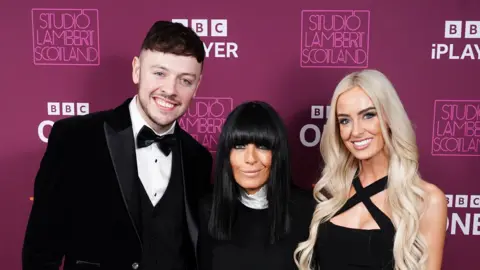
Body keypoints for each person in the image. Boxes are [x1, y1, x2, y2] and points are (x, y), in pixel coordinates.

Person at [22, 21, 213, 270]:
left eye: (185, 80)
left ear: (197, 86)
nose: (170, 89)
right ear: (136, 70)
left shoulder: (198, 158)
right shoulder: (74, 138)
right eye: (159, 73)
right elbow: (41, 249)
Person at [294, 69, 448, 270]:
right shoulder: (330, 193)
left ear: (388, 118)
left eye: (368, 115)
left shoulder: (426, 199)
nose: (356, 131)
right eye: (345, 120)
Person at [197, 101, 315, 270]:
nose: (250, 158)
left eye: (262, 146)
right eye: (239, 146)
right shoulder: (206, 210)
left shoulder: (308, 211)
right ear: (227, 155)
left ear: (277, 154)